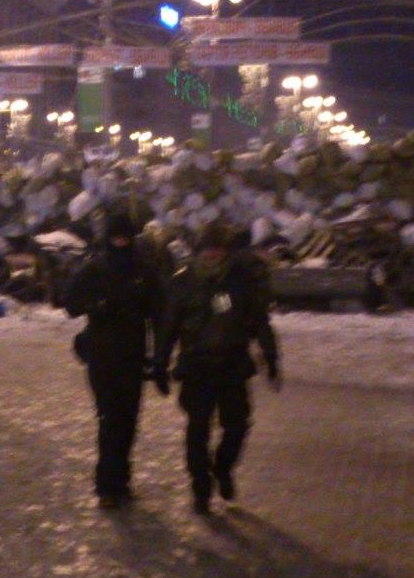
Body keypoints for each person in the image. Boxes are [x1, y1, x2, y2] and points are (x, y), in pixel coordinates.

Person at [154, 221, 280, 514]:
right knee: (197, 431)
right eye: (207, 249)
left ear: (226, 252)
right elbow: (168, 327)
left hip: (232, 367)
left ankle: (223, 468)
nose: (212, 254)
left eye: (218, 249)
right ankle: (200, 485)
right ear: (199, 250)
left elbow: (260, 321)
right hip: (197, 368)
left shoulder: (240, 282)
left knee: (237, 426)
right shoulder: (182, 281)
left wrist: (271, 356)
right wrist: (160, 363)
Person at [63, 211, 164, 508]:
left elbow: (159, 313)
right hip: (103, 355)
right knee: (109, 419)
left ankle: (120, 480)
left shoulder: (143, 271)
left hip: (131, 355)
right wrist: (97, 305)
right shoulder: (95, 268)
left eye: (124, 236)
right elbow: (70, 303)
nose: (120, 241)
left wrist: (159, 355)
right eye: (115, 235)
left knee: (128, 420)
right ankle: (107, 485)